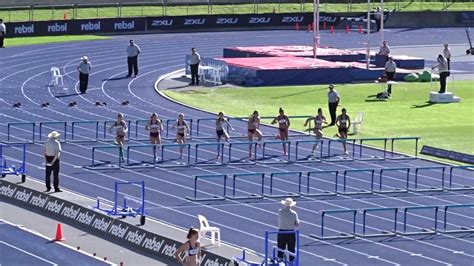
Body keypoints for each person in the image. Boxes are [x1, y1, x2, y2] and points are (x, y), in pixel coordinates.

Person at [277, 198, 300, 263]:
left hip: (282, 232)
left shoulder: (280, 211)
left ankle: (279, 261)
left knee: (280, 248)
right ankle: (292, 262)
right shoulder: (294, 213)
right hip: (291, 232)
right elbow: (297, 224)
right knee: (291, 249)